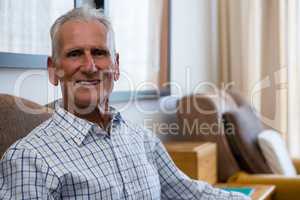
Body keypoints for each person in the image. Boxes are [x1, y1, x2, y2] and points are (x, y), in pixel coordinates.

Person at [0, 7, 249, 199]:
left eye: (99, 53)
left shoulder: (140, 139)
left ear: (116, 66)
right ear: (54, 70)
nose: (89, 66)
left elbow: (189, 193)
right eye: (75, 54)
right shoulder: (28, 158)